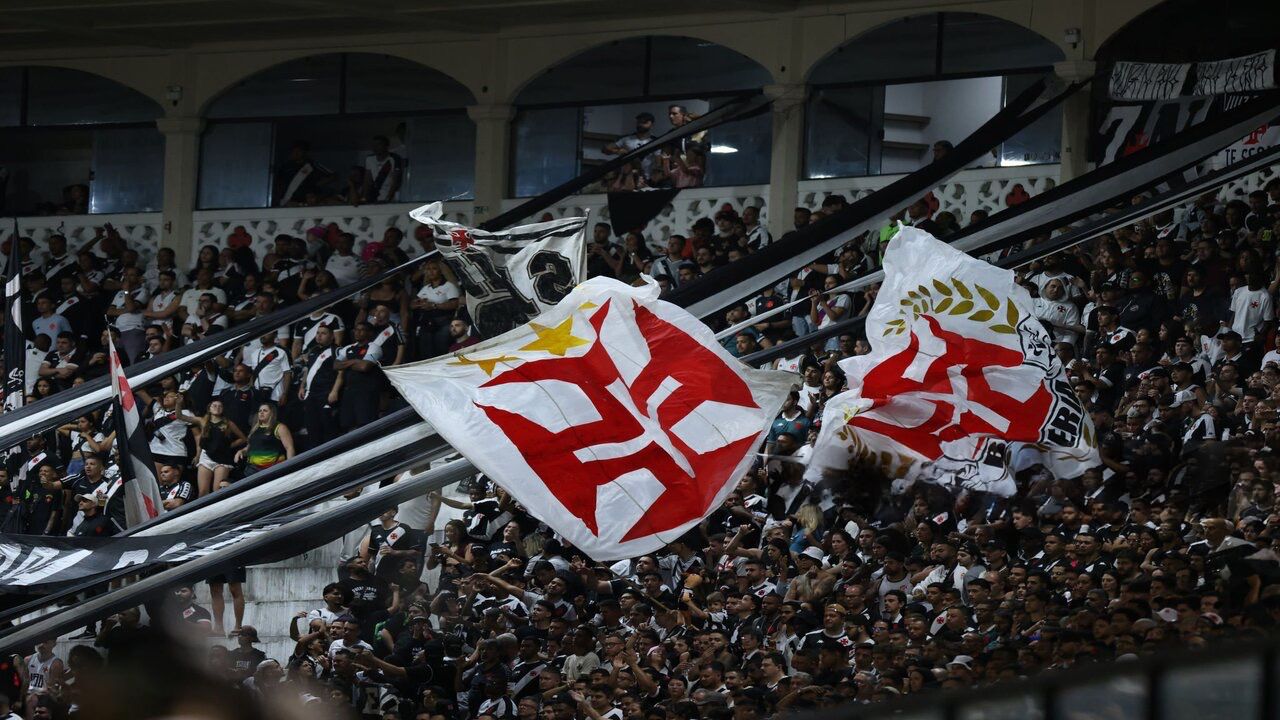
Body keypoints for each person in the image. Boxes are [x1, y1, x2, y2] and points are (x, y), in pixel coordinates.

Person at [190, 399, 248, 495]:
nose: (217, 407)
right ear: (209, 408)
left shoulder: (228, 423)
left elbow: (243, 438)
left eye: (220, 406)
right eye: (214, 405)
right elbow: (181, 416)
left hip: (222, 457)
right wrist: (179, 404)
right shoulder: (203, 421)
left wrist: (229, 445)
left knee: (218, 491)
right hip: (206, 456)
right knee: (203, 492)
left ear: (223, 409)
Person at [236, 402, 295, 477]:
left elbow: (289, 448)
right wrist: (242, 451)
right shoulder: (255, 428)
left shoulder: (280, 427)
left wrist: (290, 468)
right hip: (252, 469)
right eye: (260, 411)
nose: (261, 413)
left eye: (265, 410)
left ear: (272, 413)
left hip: (271, 469)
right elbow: (251, 446)